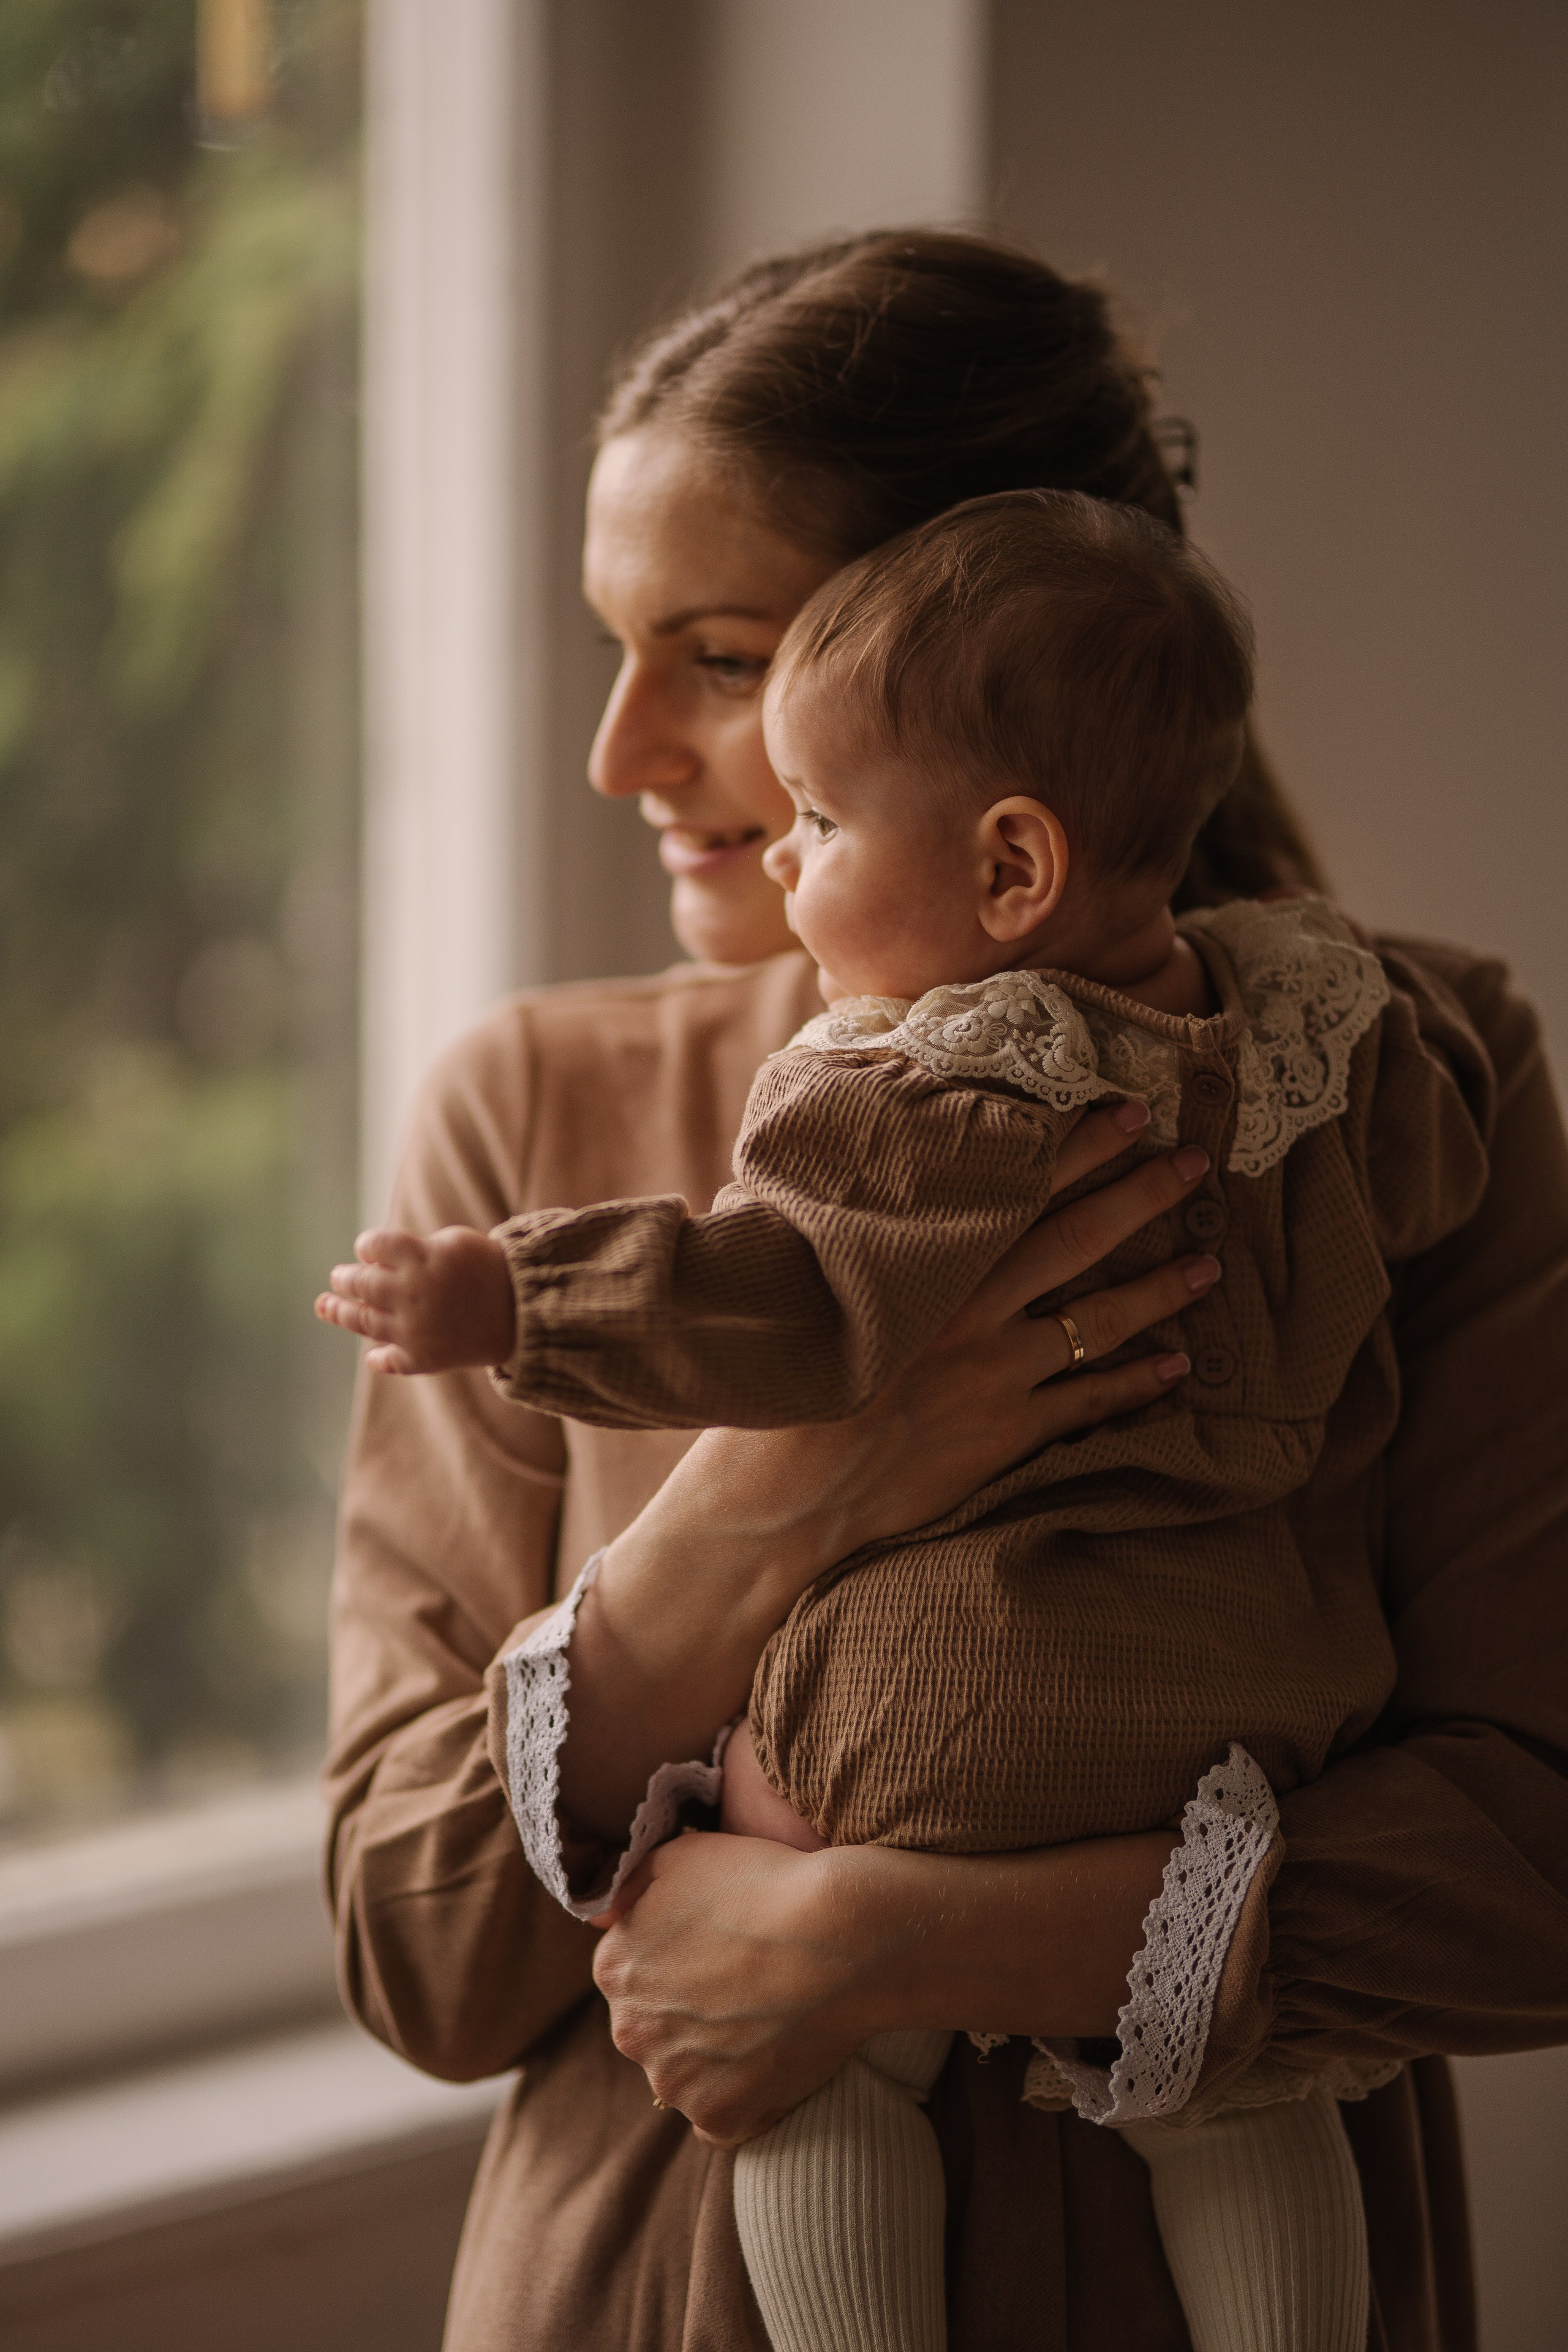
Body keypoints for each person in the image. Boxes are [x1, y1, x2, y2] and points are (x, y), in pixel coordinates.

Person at [323, 231, 1568, 2349]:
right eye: (622, 647)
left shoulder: (1386, 1087)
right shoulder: (525, 1133)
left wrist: (887, 1946)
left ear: (998, 667)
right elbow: (424, 1951)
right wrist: (800, 1480)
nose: (626, 748)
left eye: (720, 657)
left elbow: (1537, 1865)